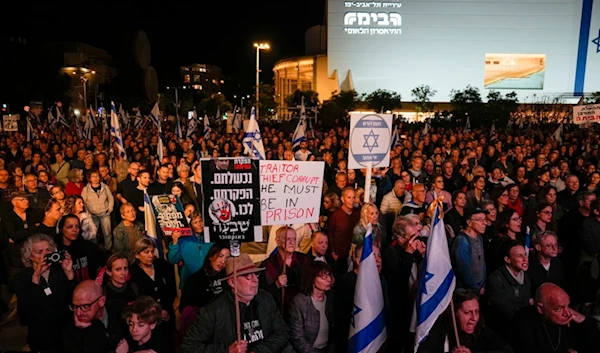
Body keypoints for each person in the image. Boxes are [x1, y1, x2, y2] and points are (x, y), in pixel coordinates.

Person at [181, 253, 291, 353]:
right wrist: (227, 350)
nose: (255, 280)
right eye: (248, 276)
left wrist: (259, 350)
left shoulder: (265, 299)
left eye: (255, 274)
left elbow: (282, 332)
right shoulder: (212, 311)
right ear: (232, 282)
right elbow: (188, 347)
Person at [14, 234, 75, 352]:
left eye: (48, 250)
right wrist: (35, 278)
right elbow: (25, 312)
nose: (45, 255)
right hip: (41, 337)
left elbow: (73, 299)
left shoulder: (59, 272)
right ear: (29, 256)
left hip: (65, 333)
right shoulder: (21, 278)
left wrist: (69, 273)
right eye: (39, 252)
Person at [416, 289, 513, 353]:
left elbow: (507, 351)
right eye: (467, 312)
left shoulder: (480, 327)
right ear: (454, 313)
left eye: (477, 311)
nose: (474, 318)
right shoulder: (441, 326)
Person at [512, 283, 598, 353]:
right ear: (540, 308)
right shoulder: (523, 320)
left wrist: (582, 319)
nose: (567, 313)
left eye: (567, 306)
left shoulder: (568, 317)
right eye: (559, 308)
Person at [62, 280, 127, 353]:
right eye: (75, 307)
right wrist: (90, 331)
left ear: (101, 301)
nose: (78, 313)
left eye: (85, 306)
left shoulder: (120, 309)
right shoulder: (71, 331)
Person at [288, 261, 335, 353]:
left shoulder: (331, 298)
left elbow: (336, 331)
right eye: (323, 277)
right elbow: (297, 337)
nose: (329, 279)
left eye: (329, 275)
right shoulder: (299, 302)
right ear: (312, 279)